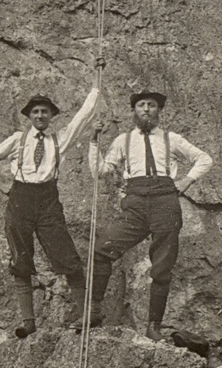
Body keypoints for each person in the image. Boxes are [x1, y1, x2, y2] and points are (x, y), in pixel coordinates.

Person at [0, 64, 102, 338]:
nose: (40, 115)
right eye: (35, 111)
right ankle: (28, 321)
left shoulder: (60, 139)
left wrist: (96, 82)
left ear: (52, 116)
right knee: (20, 259)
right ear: (29, 116)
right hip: (20, 199)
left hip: (48, 200)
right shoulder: (17, 139)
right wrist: (2, 186)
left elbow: (84, 116)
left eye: (45, 111)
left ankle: (87, 315)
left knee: (67, 256)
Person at [87, 90, 213, 341]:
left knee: (162, 266)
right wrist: (93, 139)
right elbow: (100, 171)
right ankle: (93, 311)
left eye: (151, 105)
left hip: (165, 203)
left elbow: (204, 159)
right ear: (134, 111)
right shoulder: (123, 140)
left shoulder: (171, 139)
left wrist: (186, 181)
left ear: (158, 110)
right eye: (141, 105)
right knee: (101, 250)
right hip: (134, 204)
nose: (146, 109)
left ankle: (153, 326)